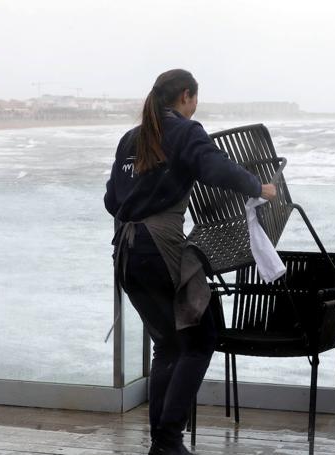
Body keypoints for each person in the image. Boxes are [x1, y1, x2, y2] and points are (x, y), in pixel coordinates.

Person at [104, 69, 276, 455]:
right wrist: (257, 186)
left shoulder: (130, 139)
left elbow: (112, 202)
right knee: (202, 337)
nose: (195, 105)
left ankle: (162, 444)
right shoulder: (185, 130)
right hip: (157, 248)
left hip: (126, 255)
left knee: (168, 344)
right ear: (186, 96)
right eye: (195, 98)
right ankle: (167, 439)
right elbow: (214, 168)